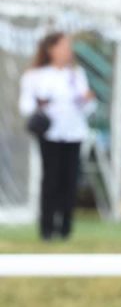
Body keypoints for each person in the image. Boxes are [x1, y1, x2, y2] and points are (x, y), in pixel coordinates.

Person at [18, 32, 96, 240]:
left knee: (69, 181)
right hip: (50, 134)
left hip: (74, 133)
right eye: (63, 46)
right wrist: (41, 104)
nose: (67, 51)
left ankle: (65, 229)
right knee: (50, 180)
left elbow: (88, 108)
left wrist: (86, 100)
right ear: (51, 49)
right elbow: (25, 106)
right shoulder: (35, 75)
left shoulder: (76, 74)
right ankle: (47, 228)